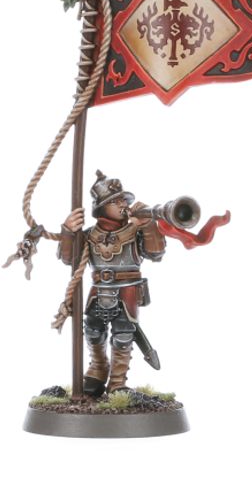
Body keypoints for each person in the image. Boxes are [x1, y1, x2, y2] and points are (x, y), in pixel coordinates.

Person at [58, 170, 166, 396]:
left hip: (127, 291)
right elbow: (69, 259)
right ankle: (98, 369)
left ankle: (117, 381)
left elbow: (156, 253)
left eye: (123, 200)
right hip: (98, 291)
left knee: (123, 334)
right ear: (101, 207)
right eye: (115, 201)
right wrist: (68, 231)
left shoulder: (136, 230)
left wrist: (148, 226)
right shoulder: (89, 235)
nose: (122, 204)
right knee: (93, 331)